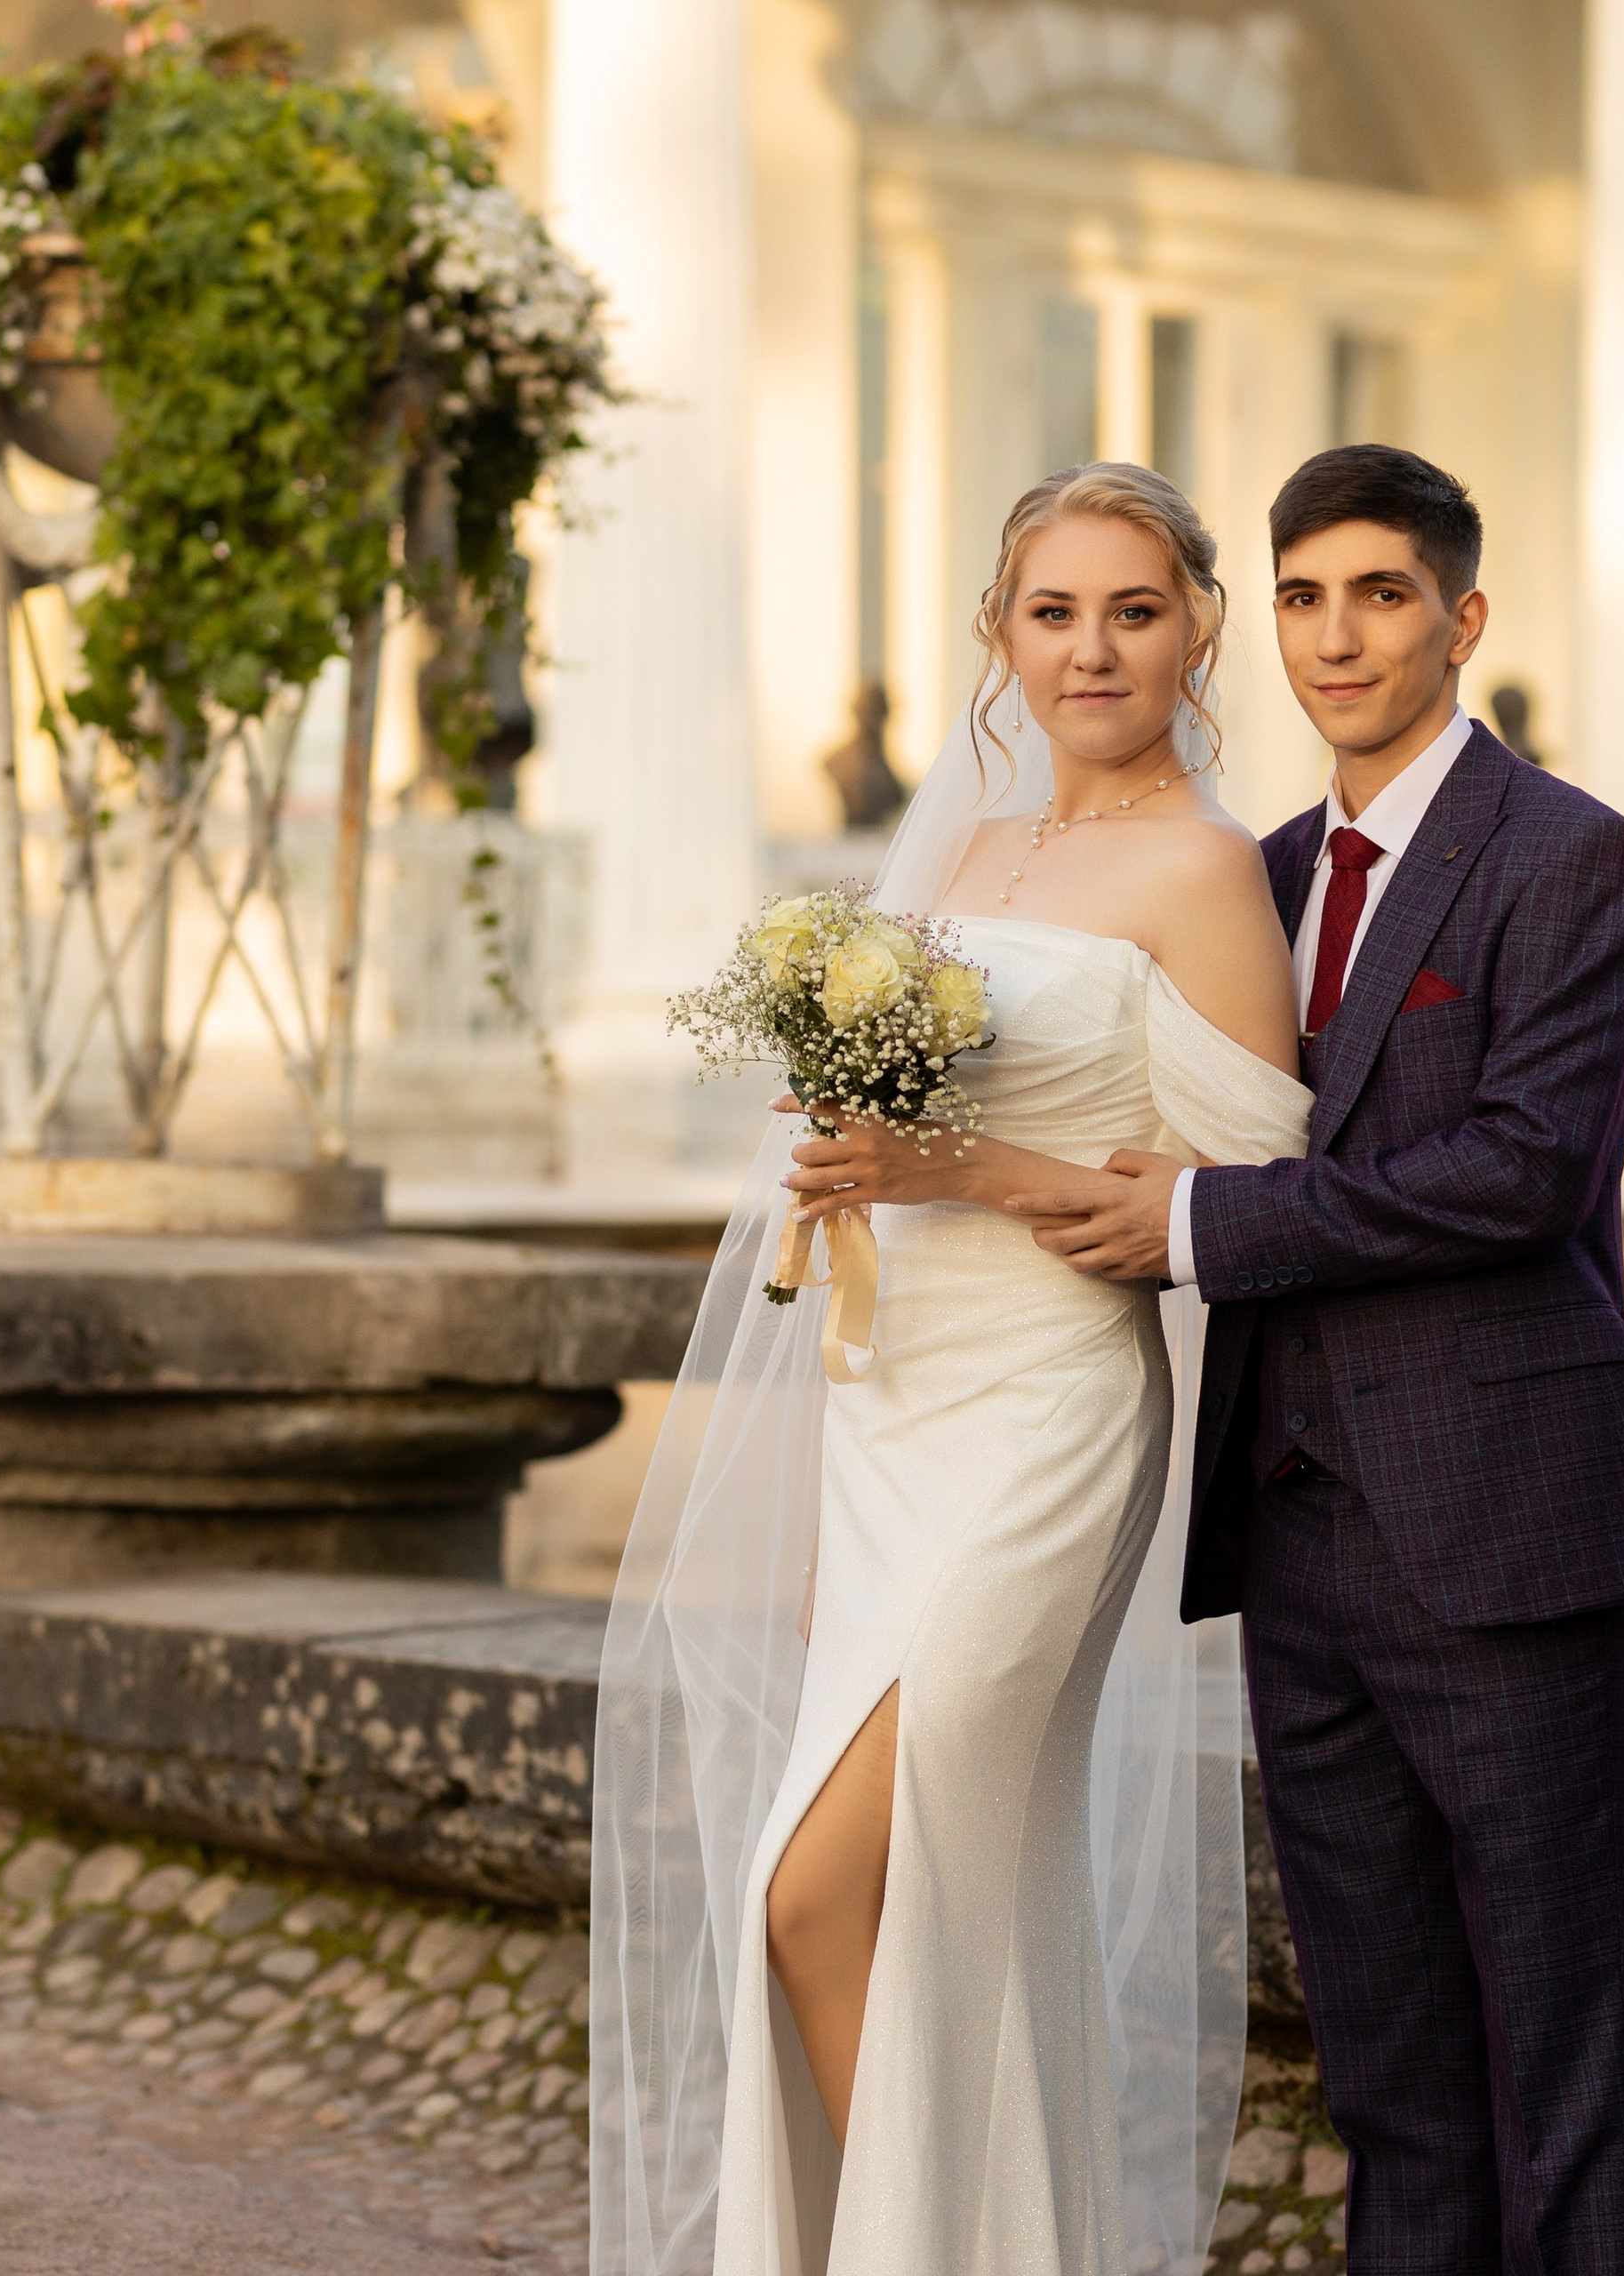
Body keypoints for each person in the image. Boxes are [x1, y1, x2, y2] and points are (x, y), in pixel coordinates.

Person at [588, 462, 1312, 2276]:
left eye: (1132, 611)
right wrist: (848, 1143)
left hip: (1050, 1414)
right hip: (890, 1399)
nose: (1092, 649)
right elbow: (909, 1119)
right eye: (1053, 612)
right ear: (998, 635)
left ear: (1193, 629)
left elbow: (1253, 1199)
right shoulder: (975, 855)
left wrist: (952, 1167)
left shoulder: (1208, 865)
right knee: (927, 1903)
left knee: (811, 1888)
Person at [1006, 444, 1624, 2275]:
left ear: (1459, 618)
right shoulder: (1253, 870)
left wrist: (1202, 1226)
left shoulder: (1567, 854)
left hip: (1501, 1525)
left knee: (1555, 2053)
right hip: (1290, 1525)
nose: (1337, 633)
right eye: (1303, 594)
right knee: (1383, 2071)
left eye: (1380, 592)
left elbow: (1519, 1167)